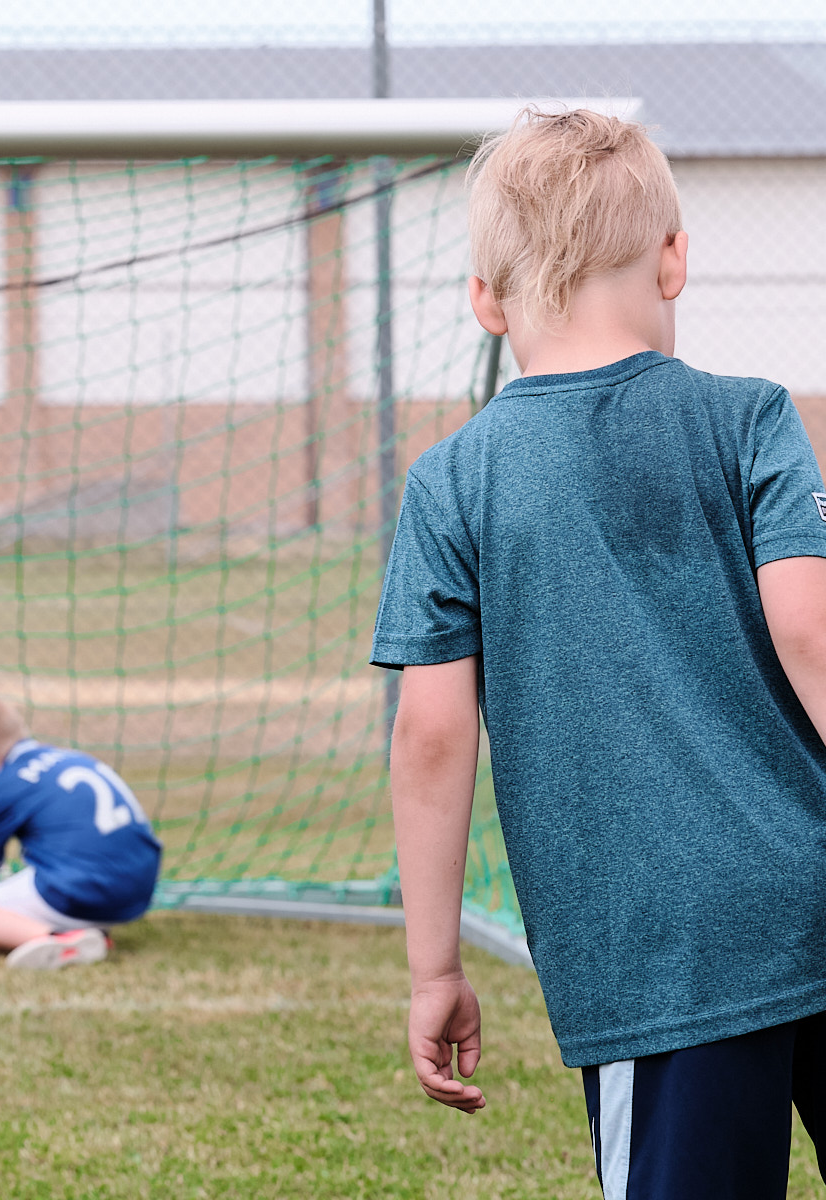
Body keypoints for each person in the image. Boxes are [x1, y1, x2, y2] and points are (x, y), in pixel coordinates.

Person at [376, 108, 826, 1196]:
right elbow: (810, 633)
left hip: (655, 955)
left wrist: (432, 966)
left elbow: (431, 738)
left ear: (483, 301)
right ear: (672, 260)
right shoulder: (750, 419)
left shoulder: (451, 481)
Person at [0, 692, 162, 969]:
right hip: (141, 885)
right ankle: (85, 927)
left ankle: (59, 939)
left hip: (83, 888)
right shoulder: (72, 758)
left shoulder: (0, 787)